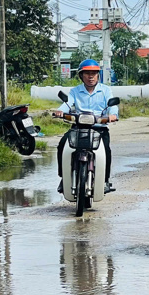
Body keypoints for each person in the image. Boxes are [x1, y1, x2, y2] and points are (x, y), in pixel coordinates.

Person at [55, 59, 119, 194]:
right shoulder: (75, 91)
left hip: (99, 128)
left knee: (106, 151)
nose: (91, 77)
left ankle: (105, 181)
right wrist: (60, 111)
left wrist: (113, 115)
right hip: (78, 128)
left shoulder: (105, 90)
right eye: (87, 74)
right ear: (81, 76)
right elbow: (67, 104)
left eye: (94, 73)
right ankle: (63, 178)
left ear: (98, 75)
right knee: (62, 145)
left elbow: (112, 106)